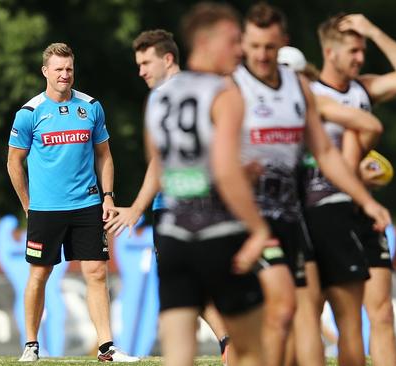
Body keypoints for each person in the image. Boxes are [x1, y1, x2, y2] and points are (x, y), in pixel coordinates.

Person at [145, 3, 271, 365]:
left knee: (179, 356)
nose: (240, 49)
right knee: (251, 351)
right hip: (218, 233)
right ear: (204, 41)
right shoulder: (224, 92)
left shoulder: (159, 97)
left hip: (171, 233)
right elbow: (225, 170)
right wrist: (258, 229)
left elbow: (162, 167)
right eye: (233, 40)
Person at [105, 28, 231, 364]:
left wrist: (135, 209)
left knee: (186, 286)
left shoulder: (171, 96)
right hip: (183, 205)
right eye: (138, 64)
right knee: (189, 282)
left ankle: (231, 340)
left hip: (185, 207)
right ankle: (228, 340)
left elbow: (161, 162)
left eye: (146, 62)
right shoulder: (181, 93)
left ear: (168, 58)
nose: (141, 71)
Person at [7, 42, 138, 363]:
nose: (65, 75)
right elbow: (13, 162)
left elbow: (105, 156)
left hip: (87, 206)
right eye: (58, 69)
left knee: (96, 272)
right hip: (45, 209)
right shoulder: (29, 113)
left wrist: (108, 196)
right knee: (39, 275)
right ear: (45, 72)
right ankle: (31, 345)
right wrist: (27, 204)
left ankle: (106, 347)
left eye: (69, 69)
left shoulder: (91, 107)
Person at [306, 13, 396, 366]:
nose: (360, 58)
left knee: (380, 313)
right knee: (314, 314)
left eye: (362, 50)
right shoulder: (309, 95)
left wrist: (373, 31)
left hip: (361, 214)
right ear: (330, 53)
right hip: (319, 214)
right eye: (353, 51)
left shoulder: (363, 88)